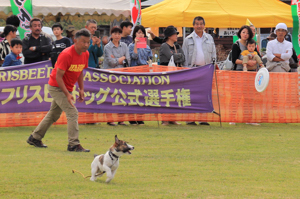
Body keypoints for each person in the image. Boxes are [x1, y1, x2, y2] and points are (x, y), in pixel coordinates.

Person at [26, 28, 91, 152]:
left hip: (67, 87)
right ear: (75, 40)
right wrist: (67, 94)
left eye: (88, 42)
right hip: (56, 86)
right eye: (83, 42)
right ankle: (73, 144)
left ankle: (34, 137)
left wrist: (81, 89)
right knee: (72, 112)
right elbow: (58, 77)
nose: (86, 45)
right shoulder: (66, 54)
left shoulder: (85, 54)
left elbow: (81, 70)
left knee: (53, 114)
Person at [182, 16, 216, 126]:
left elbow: (214, 54)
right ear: (193, 26)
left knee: (204, 95)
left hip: (206, 70)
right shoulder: (188, 39)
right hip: (192, 70)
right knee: (190, 95)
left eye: (201, 24)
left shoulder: (209, 38)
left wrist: (213, 66)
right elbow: (184, 57)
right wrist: (186, 71)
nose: (199, 26)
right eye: (197, 24)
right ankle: (190, 119)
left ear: (204, 25)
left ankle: (203, 119)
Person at [229, 25, 260, 126]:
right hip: (239, 73)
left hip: (250, 74)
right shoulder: (236, 45)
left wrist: (254, 62)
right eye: (243, 32)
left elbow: (258, 57)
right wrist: (245, 62)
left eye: (247, 33)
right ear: (240, 33)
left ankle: (249, 118)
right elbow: (234, 60)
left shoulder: (251, 44)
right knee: (236, 96)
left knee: (249, 96)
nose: (245, 34)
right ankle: (232, 118)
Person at [103, 26, 130, 126]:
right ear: (112, 35)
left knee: (121, 96)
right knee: (110, 97)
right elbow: (111, 62)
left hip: (122, 74)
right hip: (109, 75)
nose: (117, 36)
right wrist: (121, 59)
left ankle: (121, 119)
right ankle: (110, 119)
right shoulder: (107, 47)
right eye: (115, 33)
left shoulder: (124, 46)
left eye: (119, 33)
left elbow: (128, 60)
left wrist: (117, 59)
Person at [128, 25, 153, 125]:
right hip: (134, 71)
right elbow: (133, 56)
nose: (140, 34)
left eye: (142, 33)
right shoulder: (130, 46)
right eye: (138, 32)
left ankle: (140, 117)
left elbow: (150, 58)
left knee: (142, 95)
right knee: (134, 95)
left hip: (144, 72)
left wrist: (150, 66)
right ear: (134, 34)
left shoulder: (147, 47)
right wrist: (135, 45)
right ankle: (132, 117)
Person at [159, 26, 183, 126]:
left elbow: (183, 57)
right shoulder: (164, 46)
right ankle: (165, 119)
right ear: (169, 36)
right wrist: (177, 56)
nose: (176, 36)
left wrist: (176, 56)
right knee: (166, 96)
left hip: (176, 73)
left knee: (175, 96)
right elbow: (170, 57)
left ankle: (172, 118)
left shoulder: (177, 46)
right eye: (174, 34)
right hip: (166, 74)